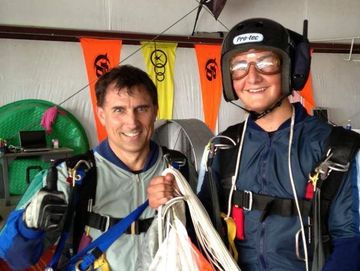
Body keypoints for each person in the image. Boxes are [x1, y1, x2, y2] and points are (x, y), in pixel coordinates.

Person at [147, 18, 360, 270]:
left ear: (290, 69)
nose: (252, 77)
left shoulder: (336, 148)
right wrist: (175, 202)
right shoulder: (222, 148)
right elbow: (202, 229)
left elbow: (350, 239)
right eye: (239, 66)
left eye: (266, 63)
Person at [0, 65, 190, 270]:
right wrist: (28, 226)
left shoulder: (178, 168)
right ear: (101, 114)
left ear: (155, 111)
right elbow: (15, 258)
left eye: (141, 109)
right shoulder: (69, 175)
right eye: (119, 110)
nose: (132, 122)